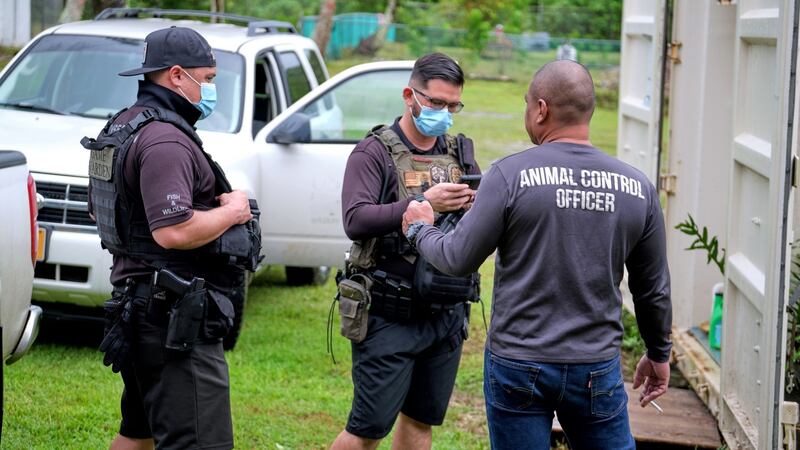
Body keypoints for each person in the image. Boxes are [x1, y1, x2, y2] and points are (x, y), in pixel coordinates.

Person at [402, 60, 672, 449]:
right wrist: (658, 352)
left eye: (529, 104)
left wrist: (418, 227)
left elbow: (457, 259)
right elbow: (653, 288)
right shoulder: (638, 187)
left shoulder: (510, 175)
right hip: (595, 365)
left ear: (541, 109)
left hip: (518, 362)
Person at [83, 27, 260, 450]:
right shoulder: (164, 140)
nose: (213, 89)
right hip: (172, 318)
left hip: (139, 304)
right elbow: (173, 230)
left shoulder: (124, 124)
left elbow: (105, 212)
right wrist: (233, 212)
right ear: (177, 75)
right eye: (210, 78)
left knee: (137, 433)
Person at [331, 53, 481, 450]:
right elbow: (355, 219)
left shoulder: (459, 152)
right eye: (436, 103)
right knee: (367, 430)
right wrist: (424, 203)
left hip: (445, 311)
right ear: (409, 96)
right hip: (388, 311)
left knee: (419, 423)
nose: (445, 113)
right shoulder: (374, 152)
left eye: (453, 106)